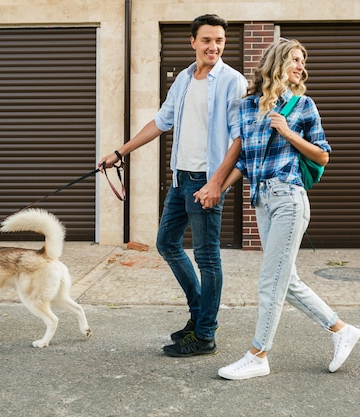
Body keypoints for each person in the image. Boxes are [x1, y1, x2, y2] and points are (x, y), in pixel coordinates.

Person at [195, 38, 360, 379]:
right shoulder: (247, 106)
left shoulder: (303, 105)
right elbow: (244, 161)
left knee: (271, 282)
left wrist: (288, 133)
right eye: (295, 60)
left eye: (303, 61)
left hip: (289, 198)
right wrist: (216, 190)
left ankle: (258, 354)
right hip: (263, 200)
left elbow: (323, 155)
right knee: (288, 280)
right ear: (276, 61)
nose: (301, 66)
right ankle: (342, 330)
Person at [99, 14, 247, 357]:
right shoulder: (182, 79)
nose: (214, 46)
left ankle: (206, 333)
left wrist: (216, 183)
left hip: (205, 182)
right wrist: (120, 152)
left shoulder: (232, 82)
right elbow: (161, 122)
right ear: (193, 42)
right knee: (166, 243)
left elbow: (240, 139)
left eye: (220, 41)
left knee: (208, 258)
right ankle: (199, 316)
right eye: (207, 40)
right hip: (181, 179)